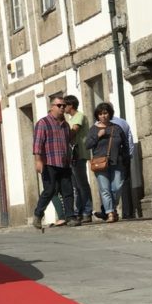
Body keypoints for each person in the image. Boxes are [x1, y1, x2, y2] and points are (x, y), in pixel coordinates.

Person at [32, 95, 79, 230]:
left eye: (64, 106)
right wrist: (38, 160)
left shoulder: (65, 124)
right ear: (52, 107)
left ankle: (70, 217)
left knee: (68, 190)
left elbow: (69, 141)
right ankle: (38, 214)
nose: (62, 108)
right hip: (49, 162)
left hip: (64, 162)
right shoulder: (43, 123)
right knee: (50, 190)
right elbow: (37, 144)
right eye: (59, 105)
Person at [85, 103, 129, 223]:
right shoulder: (94, 129)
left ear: (110, 113)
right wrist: (98, 136)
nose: (103, 116)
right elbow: (87, 145)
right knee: (105, 189)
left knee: (117, 187)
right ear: (97, 116)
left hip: (117, 161)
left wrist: (125, 159)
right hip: (100, 162)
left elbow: (125, 145)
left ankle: (110, 208)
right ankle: (110, 213)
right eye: (100, 114)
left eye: (105, 113)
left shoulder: (117, 128)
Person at [63, 95, 93, 223]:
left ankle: (87, 211)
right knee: (76, 186)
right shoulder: (71, 119)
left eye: (64, 105)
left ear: (71, 105)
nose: (63, 108)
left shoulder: (79, 116)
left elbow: (73, 132)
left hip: (78, 154)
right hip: (72, 155)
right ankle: (79, 211)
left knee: (82, 184)